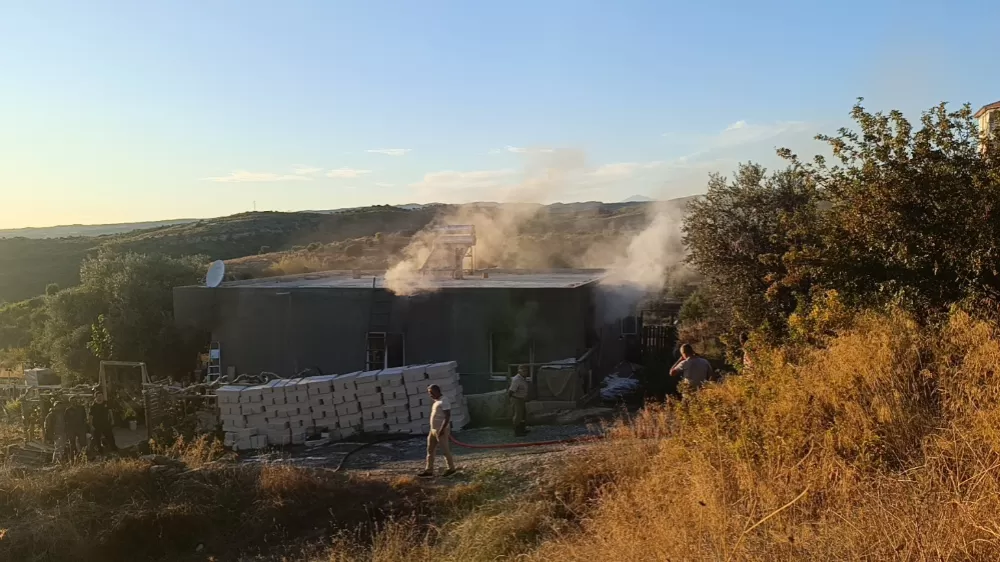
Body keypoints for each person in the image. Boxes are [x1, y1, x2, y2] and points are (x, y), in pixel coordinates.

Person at [418, 384, 456, 478]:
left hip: (440, 430)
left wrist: (442, 429)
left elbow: (447, 416)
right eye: (429, 393)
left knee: (445, 450)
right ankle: (429, 470)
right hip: (433, 430)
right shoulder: (436, 402)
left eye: (431, 392)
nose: (430, 395)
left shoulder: (444, 401)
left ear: (437, 391)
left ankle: (451, 468)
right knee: (430, 450)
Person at [508, 365, 530, 436]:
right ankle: (517, 432)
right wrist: (510, 401)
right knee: (518, 415)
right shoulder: (517, 379)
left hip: (521, 399)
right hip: (516, 399)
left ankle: (522, 429)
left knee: (523, 415)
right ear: (519, 371)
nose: (525, 372)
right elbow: (511, 391)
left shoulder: (522, 378)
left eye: (526, 371)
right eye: (523, 371)